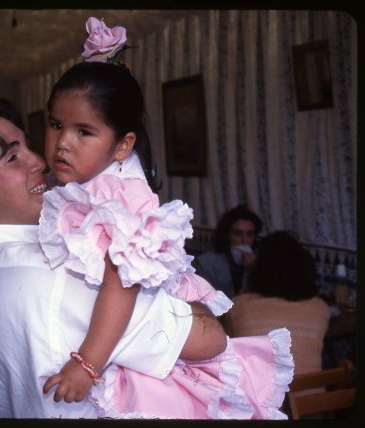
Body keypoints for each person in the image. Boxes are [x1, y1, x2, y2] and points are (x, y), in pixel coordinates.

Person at [0, 94, 291, 418]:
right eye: (12, 158)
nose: (39, 160)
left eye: (28, 144)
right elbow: (209, 340)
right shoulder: (58, 272)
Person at [34, 17, 292, 419]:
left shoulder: (120, 197)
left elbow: (121, 287)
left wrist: (87, 363)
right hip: (133, 333)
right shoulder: (80, 186)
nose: (62, 142)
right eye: (55, 124)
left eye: (84, 131)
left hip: (154, 332)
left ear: (123, 146)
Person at [223, 231, 331, 376]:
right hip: (309, 397)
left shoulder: (239, 305)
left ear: (260, 269)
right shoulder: (320, 307)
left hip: (256, 397)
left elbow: (227, 347)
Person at [194, 204, 264, 298]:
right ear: (227, 236)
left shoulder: (260, 262)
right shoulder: (206, 263)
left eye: (249, 234)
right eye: (237, 234)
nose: (244, 240)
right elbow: (205, 299)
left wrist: (255, 270)